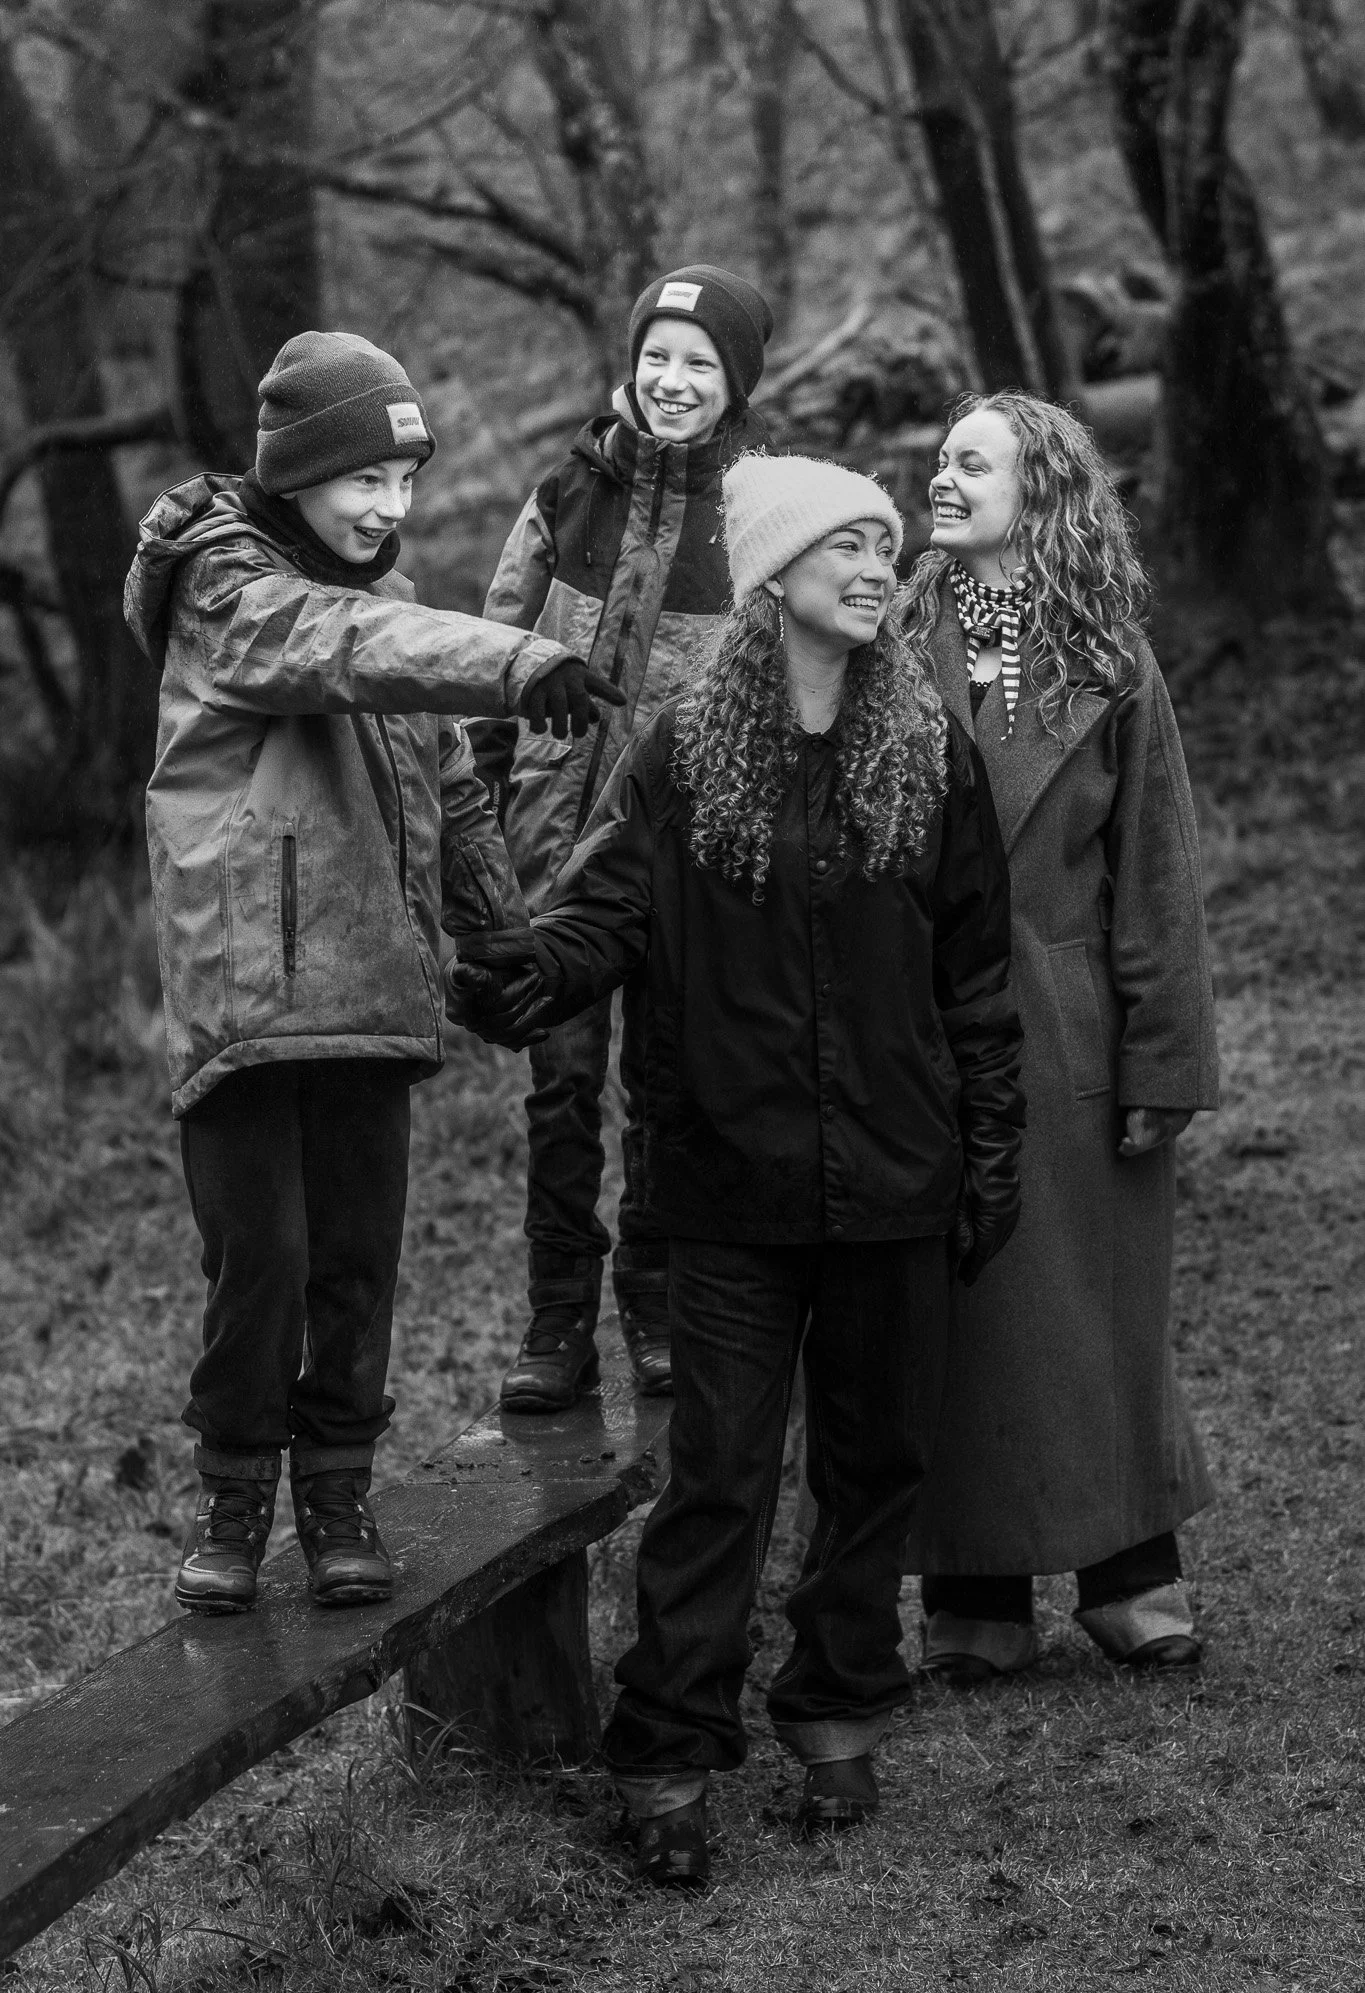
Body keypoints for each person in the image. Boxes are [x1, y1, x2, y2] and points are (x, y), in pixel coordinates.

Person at [456, 453, 1025, 1886]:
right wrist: (522, 973)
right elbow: (603, 915)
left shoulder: (929, 750)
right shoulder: (684, 753)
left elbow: (974, 973)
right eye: (846, 547)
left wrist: (988, 1148)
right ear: (772, 579)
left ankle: (837, 1704)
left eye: (884, 547)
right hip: (725, 1183)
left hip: (894, 1172)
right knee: (717, 1475)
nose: (877, 568)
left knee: (874, 1462)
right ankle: (667, 1748)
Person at [124, 329, 619, 1617]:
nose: (390, 507)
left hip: (374, 990)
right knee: (264, 1264)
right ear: (297, 471)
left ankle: (338, 1493)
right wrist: (513, 659)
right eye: (366, 480)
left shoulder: (386, 617)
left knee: (356, 1261)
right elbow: (327, 643)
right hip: (250, 998)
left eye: (406, 482)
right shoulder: (224, 587)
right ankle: (235, 1497)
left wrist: (498, 936)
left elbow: (450, 783)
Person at [897, 390, 1219, 1679]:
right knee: (959, 1314)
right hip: (921, 1035)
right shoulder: (887, 638)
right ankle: (973, 1590)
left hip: (1069, 1031)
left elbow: (1158, 873)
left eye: (971, 462)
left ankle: (1131, 1573)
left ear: (1040, 491)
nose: (942, 477)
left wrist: (1163, 1060)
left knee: (1096, 1312)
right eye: (939, 460)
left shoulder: (1109, 660)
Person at [466, 265, 773, 1413]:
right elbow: (493, 654)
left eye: (699, 363)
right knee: (560, 1090)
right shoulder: (567, 490)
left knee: (668, 1087)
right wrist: (480, 826)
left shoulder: (759, 509)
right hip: (554, 854)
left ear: (736, 381)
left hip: (689, 855)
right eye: (657, 356)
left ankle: (653, 1296)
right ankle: (556, 1317)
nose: (673, 379)